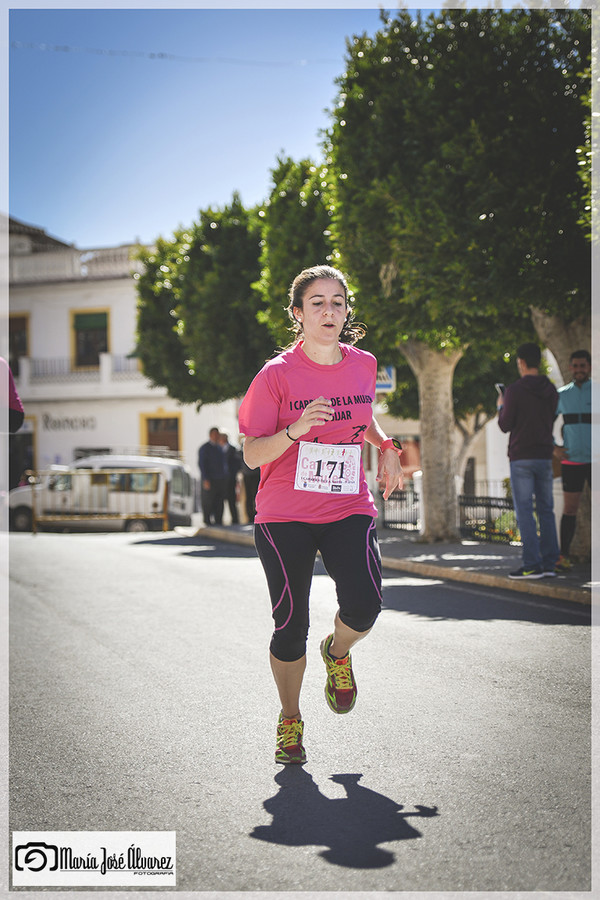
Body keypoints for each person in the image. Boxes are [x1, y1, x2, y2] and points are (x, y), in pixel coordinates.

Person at [239, 264, 403, 765]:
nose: (329, 311)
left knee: (366, 605)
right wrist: (294, 431)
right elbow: (250, 454)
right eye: (317, 303)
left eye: (337, 302)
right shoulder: (276, 376)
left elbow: (360, 411)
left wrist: (386, 445)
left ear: (347, 311)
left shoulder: (364, 364)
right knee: (290, 625)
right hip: (284, 513)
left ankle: (338, 653)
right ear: (298, 313)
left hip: (346, 504)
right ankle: (290, 719)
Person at [497, 342, 559, 579]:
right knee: (546, 510)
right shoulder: (551, 389)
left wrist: (501, 407)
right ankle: (550, 564)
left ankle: (532, 564)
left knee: (525, 511)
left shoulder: (514, 390)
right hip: (544, 454)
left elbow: (505, 425)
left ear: (521, 362)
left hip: (522, 456)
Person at [553, 350, 591, 570]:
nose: (579, 370)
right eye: (575, 366)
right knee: (569, 510)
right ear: (570, 368)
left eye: (582, 366)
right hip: (572, 461)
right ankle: (563, 557)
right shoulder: (562, 395)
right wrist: (554, 448)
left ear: (589, 367)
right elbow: (545, 422)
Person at [198, 427, 227, 526]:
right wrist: (205, 478)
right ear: (210, 435)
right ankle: (207, 520)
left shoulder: (220, 448)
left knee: (219, 501)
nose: (216, 437)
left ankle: (218, 520)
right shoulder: (204, 448)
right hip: (210, 479)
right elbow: (202, 464)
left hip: (220, 479)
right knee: (208, 501)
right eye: (214, 434)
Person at [218, 431, 242, 525]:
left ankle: (235, 519)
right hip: (221, 479)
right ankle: (219, 519)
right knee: (220, 500)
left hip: (231, 478)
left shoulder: (233, 449)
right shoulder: (218, 449)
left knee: (231, 500)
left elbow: (237, 464)